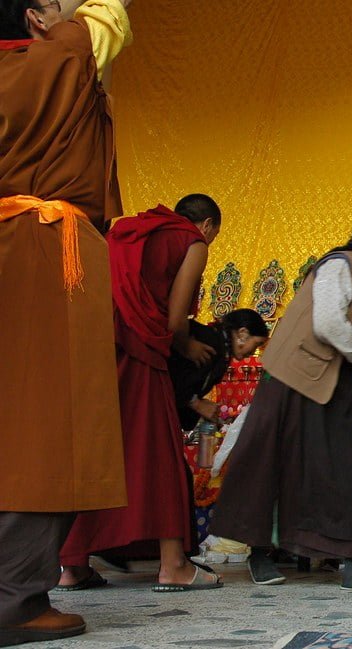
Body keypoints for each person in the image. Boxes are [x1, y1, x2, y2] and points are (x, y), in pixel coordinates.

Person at [0, 0, 134, 644]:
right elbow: (112, 12)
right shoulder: (54, 57)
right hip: (47, 254)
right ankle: (14, 600)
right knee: (48, 430)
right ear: (35, 17)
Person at [211, 212, 352, 589]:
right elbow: (326, 325)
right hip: (292, 377)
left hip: (333, 384)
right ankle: (259, 553)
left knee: (341, 465)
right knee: (272, 462)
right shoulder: (338, 267)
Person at [57, 195, 225, 593]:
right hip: (139, 352)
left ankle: (71, 565)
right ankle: (173, 565)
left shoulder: (132, 232)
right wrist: (186, 346)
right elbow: (175, 314)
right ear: (206, 226)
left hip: (97, 348)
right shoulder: (191, 242)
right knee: (158, 452)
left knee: (98, 451)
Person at [168, 308, 270, 430]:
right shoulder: (209, 342)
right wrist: (196, 404)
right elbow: (174, 377)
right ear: (243, 333)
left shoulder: (222, 351)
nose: (253, 352)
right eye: (257, 344)